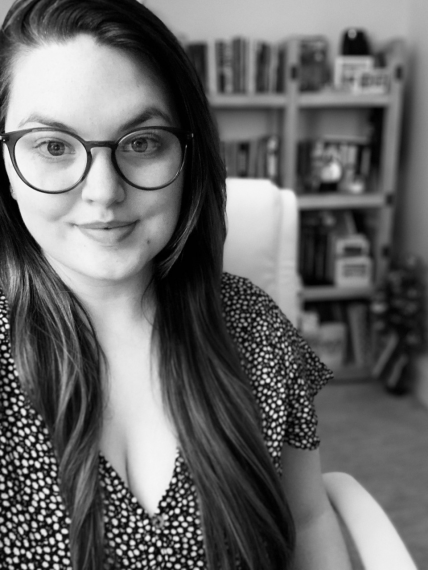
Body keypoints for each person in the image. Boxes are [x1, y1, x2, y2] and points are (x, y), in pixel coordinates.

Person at [0, 0, 352, 568]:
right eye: (53, 146)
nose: (104, 192)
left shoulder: (255, 327)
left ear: (188, 156)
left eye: (142, 142)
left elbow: (308, 520)